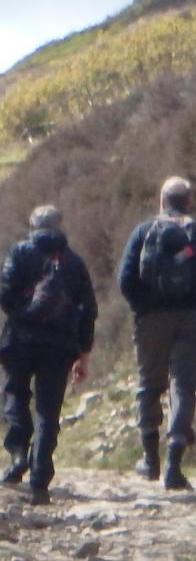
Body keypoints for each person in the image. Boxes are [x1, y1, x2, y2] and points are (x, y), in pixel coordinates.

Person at [0, 206, 98, 505]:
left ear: (32, 225)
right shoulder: (74, 262)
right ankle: (40, 480)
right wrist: (84, 354)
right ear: (60, 226)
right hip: (60, 345)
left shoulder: (19, 253)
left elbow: (4, 294)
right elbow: (89, 311)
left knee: (15, 391)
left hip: (20, 339)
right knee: (48, 410)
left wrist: (21, 314)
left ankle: (17, 452)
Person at [118, 176, 196, 490]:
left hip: (150, 318)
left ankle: (150, 460)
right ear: (189, 201)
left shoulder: (144, 230)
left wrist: (143, 306)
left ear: (161, 200)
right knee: (184, 384)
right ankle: (175, 458)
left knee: (150, 384)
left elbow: (126, 279)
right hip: (191, 318)